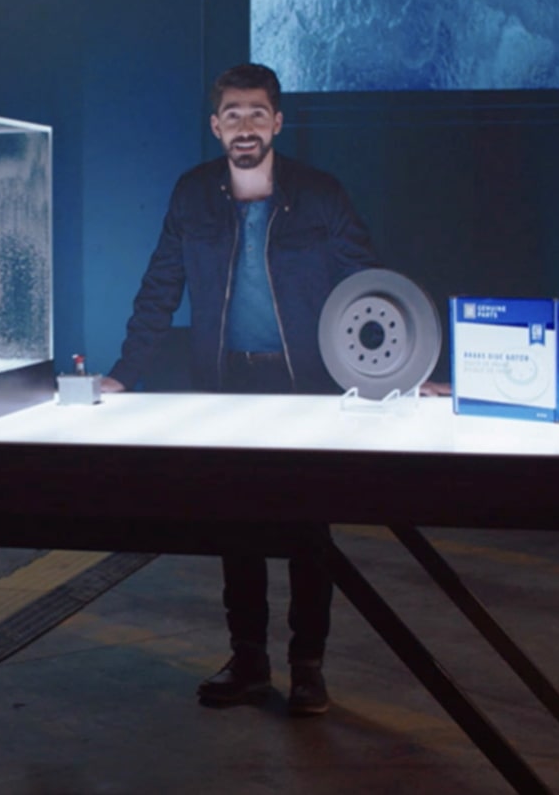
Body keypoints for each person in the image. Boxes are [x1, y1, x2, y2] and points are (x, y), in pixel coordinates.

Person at [99, 63, 380, 716]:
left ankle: (308, 665)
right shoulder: (192, 194)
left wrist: (399, 371)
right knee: (237, 527)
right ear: (215, 125)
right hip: (224, 385)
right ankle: (248, 658)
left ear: (278, 122)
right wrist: (124, 373)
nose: (245, 125)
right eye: (233, 113)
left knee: (309, 529)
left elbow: (368, 284)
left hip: (304, 385)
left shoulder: (320, 193)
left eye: (258, 112)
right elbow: (160, 289)